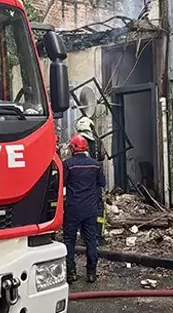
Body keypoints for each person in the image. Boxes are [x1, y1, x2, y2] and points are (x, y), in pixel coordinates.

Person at [63, 134, 105, 284]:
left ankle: (71, 273)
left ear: (73, 148)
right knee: (91, 241)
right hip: (90, 209)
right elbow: (102, 183)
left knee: (69, 240)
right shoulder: (95, 165)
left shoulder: (68, 164)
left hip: (73, 208)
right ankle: (92, 273)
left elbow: (62, 183)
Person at [75, 116, 107, 245]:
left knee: (82, 208)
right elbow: (102, 157)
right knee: (98, 209)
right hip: (95, 183)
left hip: (79, 184)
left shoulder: (75, 141)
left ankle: (84, 236)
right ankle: (98, 236)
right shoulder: (98, 142)